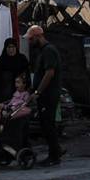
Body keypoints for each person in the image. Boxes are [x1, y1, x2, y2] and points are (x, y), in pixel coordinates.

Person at [25, 25, 64, 167]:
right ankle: (56, 150)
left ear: (37, 37)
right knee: (46, 124)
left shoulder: (49, 51)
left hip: (48, 95)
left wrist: (38, 92)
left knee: (48, 125)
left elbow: (49, 73)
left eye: (30, 39)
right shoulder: (42, 52)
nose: (29, 42)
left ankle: (54, 156)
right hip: (44, 95)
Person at [0, 36, 28, 104]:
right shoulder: (0, 62)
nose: (11, 49)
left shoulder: (22, 59)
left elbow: (27, 76)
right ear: (5, 48)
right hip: (4, 95)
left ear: (16, 47)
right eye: (9, 47)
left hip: (21, 95)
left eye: (13, 47)